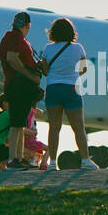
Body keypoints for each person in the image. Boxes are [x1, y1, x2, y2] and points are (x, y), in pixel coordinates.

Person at [40, 17, 97, 170]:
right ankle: (85, 160)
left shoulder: (47, 49)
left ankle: (52, 162)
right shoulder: (78, 48)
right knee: (78, 127)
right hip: (71, 88)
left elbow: (45, 71)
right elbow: (84, 68)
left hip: (53, 88)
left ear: (53, 32)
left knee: (54, 127)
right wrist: (71, 73)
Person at [0, 11, 43, 169]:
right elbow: (11, 58)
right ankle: (13, 159)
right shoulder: (15, 38)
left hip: (18, 87)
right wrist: (29, 74)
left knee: (19, 125)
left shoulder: (11, 38)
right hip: (18, 87)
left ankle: (17, 158)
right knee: (16, 125)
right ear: (27, 26)